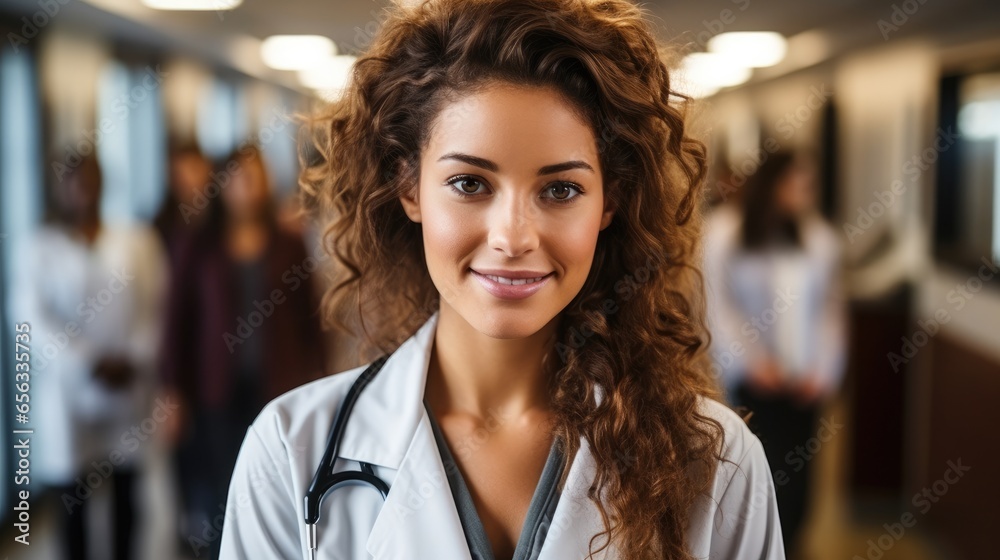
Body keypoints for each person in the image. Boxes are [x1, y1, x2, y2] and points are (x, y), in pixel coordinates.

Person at [220, 0, 784, 558]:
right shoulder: (289, 452)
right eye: (470, 184)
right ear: (409, 189)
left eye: (560, 190)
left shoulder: (718, 463)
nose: (513, 238)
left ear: (610, 202)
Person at [159, 144, 327, 559]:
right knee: (222, 487)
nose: (247, 186)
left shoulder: (288, 243)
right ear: (222, 185)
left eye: (255, 175)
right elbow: (175, 323)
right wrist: (172, 393)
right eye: (237, 177)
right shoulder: (198, 245)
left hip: (280, 386)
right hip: (216, 390)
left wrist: (321, 381)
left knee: (276, 485)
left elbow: (311, 320)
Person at [11, 154, 167, 560]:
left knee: (126, 493)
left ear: (103, 182)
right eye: (72, 180)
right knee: (72, 501)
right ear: (57, 186)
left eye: (90, 179)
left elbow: (156, 304)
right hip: (69, 389)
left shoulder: (135, 240)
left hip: (126, 380)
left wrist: (133, 356)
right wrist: (88, 362)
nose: (82, 189)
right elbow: (28, 317)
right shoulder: (38, 247)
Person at [703, 152, 846, 557]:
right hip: (752, 380)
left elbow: (830, 311)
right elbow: (717, 306)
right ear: (771, 184)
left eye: (808, 186)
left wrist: (823, 370)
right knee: (754, 468)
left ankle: (793, 542)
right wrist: (751, 363)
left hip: (804, 381)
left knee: (799, 473)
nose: (803, 194)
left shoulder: (818, 238)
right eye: (794, 184)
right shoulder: (725, 232)